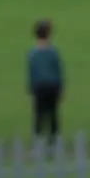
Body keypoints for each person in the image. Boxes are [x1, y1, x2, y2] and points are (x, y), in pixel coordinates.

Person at [26, 19, 64, 152]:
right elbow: (58, 71)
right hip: (52, 86)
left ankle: (39, 140)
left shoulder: (33, 54)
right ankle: (53, 141)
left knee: (39, 114)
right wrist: (61, 88)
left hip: (39, 87)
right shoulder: (53, 52)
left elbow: (31, 73)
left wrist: (30, 90)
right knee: (53, 114)